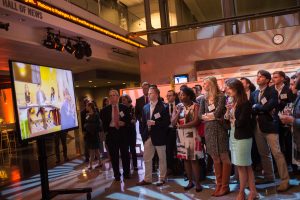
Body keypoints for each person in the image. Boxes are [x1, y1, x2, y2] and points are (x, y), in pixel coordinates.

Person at [251, 70, 289, 192]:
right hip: (257, 126)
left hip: (270, 125)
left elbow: (269, 106)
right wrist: (259, 108)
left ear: (267, 80)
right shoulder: (255, 93)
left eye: (261, 77)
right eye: (257, 76)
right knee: (264, 153)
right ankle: (269, 176)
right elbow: (252, 108)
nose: (258, 78)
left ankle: (285, 180)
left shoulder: (272, 91)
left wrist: (258, 107)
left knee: (276, 153)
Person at [225, 78, 258, 200]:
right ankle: (253, 191)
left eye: (229, 88)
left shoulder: (245, 102)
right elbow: (228, 120)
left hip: (243, 136)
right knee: (246, 165)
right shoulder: (233, 100)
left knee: (241, 166)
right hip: (234, 134)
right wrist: (228, 110)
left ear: (236, 88)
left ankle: (241, 192)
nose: (227, 90)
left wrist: (232, 118)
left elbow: (242, 121)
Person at [199, 76, 231, 197]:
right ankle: (218, 185)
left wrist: (209, 116)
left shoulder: (221, 97)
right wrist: (210, 116)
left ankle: (225, 186)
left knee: (224, 158)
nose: (203, 85)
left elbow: (218, 113)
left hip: (220, 129)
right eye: (203, 83)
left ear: (212, 84)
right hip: (209, 130)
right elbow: (200, 116)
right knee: (215, 158)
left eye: (205, 83)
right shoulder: (203, 99)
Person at [171, 87, 203, 192]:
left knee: (194, 160)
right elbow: (173, 123)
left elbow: (196, 121)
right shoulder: (178, 107)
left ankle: (197, 183)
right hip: (181, 136)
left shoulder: (196, 106)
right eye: (180, 95)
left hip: (193, 135)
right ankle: (190, 182)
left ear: (189, 96)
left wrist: (182, 126)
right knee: (185, 160)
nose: (181, 96)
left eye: (183, 94)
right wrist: (178, 111)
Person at [137, 86, 170, 186]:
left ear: (156, 94)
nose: (149, 94)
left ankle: (162, 178)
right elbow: (143, 123)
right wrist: (143, 135)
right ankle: (147, 179)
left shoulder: (164, 106)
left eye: (151, 93)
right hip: (148, 136)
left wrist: (155, 123)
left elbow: (166, 123)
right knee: (147, 158)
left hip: (159, 136)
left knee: (162, 158)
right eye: (149, 93)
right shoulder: (145, 107)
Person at [100, 89, 131, 181]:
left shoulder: (124, 108)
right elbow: (103, 125)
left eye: (114, 95)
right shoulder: (104, 110)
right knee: (114, 156)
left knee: (125, 154)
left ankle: (126, 173)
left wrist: (124, 123)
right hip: (112, 133)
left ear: (118, 97)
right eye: (110, 96)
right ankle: (117, 174)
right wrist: (109, 125)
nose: (112, 97)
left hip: (123, 133)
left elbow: (129, 121)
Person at [271, 71, 295, 171]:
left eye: (276, 77)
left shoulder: (288, 89)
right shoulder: (271, 89)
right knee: (277, 143)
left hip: (287, 120)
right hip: (274, 120)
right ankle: (279, 166)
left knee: (289, 142)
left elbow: (292, 103)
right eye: (273, 77)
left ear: (282, 78)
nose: (273, 79)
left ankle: (291, 164)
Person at [241, 77, 261, 172]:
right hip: (243, 125)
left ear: (248, 84)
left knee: (255, 145)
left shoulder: (254, 94)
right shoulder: (239, 96)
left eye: (242, 83)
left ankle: (256, 163)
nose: (241, 84)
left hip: (253, 122)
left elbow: (257, 106)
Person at [121, 94, 138, 171]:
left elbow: (134, 120)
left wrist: (127, 121)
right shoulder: (121, 109)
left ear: (128, 100)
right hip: (124, 131)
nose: (123, 101)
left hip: (131, 131)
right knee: (125, 150)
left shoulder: (132, 108)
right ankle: (127, 166)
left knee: (132, 149)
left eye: (124, 99)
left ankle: (135, 165)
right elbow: (121, 119)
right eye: (122, 100)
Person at [84, 102, 103, 169]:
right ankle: (100, 162)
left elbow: (98, 125)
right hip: (89, 135)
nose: (86, 107)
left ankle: (90, 165)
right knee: (95, 150)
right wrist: (88, 126)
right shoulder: (87, 115)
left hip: (94, 134)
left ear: (90, 107)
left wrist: (90, 127)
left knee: (93, 150)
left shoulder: (96, 115)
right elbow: (85, 124)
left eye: (87, 106)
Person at [166, 90, 179, 175]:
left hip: (178, 129)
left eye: (170, 95)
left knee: (178, 149)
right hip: (168, 130)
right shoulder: (164, 106)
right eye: (167, 96)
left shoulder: (179, 105)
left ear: (174, 96)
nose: (168, 97)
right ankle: (170, 168)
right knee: (169, 150)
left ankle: (180, 168)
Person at [81, 97, 90, 162]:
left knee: (94, 144)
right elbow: (82, 122)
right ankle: (87, 157)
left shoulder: (93, 110)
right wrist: (83, 131)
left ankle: (95, 156)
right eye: (87, 102)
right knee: (86, 144)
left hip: (93, 130)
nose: (88, 103)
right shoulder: (83, 112)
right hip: (86, 130)